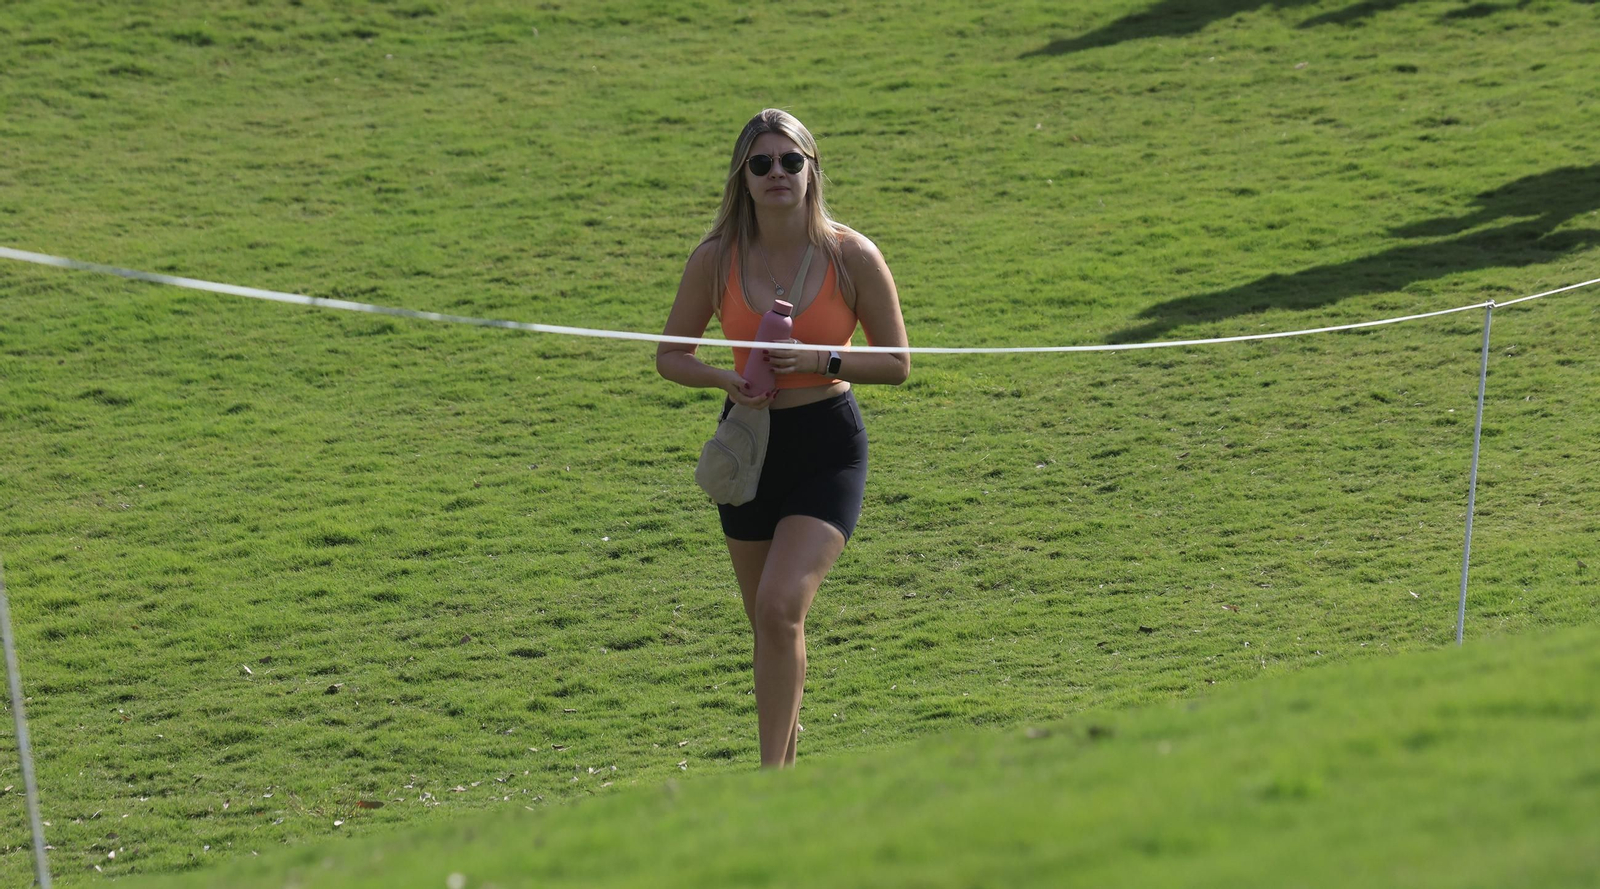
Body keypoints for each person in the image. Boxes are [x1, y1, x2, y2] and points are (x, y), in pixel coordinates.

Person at [656, 109, 909, 768]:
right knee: (768, 624)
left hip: (826, 443)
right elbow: (670, 355)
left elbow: (897, 362)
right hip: (750, 443)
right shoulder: (716, 259)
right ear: (742, 177)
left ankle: (769, 783)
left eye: (790, 160)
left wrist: (822, 360)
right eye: (761, 163)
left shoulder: (852, 255)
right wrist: (725, 377)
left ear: (812, 169)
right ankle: (787, 772)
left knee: (779, 603)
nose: (777, 173)